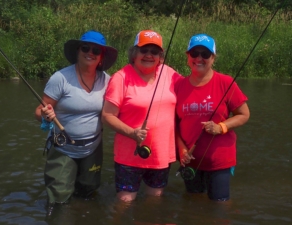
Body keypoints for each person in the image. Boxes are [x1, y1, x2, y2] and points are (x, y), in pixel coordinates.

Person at [35, 30, 118, 208]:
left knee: (88, 193)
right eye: (85, 48)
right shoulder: (60, 78)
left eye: (96, 51)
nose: (90, 53)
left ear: (101, 56)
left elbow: (116, 111)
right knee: (58, 199)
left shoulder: (108, 81)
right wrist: (45, 114)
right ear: (77, 51)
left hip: (93, 148)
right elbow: (39, 110)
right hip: (63, 148)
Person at [102, 30, 183, 202]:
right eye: (144, 50)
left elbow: (192, 90)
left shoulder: (170, 74)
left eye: (154, 52)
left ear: (160, 56)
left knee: (154, 203)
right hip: (129, 155)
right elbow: (107, 116)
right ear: (134, 53)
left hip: (161, 155)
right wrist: (132, 133)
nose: (148, 55)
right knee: (124, 203)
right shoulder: (121, 77)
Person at [175, 33, 250, 201]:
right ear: (188, 56)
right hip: (190, 160)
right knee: (193, 205)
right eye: (194, 53)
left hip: (219, 160)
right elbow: (175, 125)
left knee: (219, 206)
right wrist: (181, 150)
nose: (199, 58)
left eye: (205, 54)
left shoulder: (225, 82)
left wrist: (221, 127)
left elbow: (244, 114)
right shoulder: (178, 85)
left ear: (213, 58)